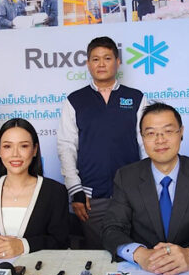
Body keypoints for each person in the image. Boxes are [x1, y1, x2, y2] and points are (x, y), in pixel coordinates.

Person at [102, 103, 189, 275]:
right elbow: (112, 229)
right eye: (151, 133)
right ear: (142, 137)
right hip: (144, 272)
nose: (160, 140)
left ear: (181, 132)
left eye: (168, 131)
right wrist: (140, 254)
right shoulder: (126, 177)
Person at [57, 36, 146, 249]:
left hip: (132, 195)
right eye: (95, 59)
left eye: (107, 58)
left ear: (118, 62)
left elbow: (146, 145)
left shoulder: (136, 98)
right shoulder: (75, 100)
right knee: (98, 255)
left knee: (132, 252)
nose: (101, 64)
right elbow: (66, 147)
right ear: (88, 64)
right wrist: (76, 191)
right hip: (91, 199)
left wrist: (147, 188)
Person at [0, 118, 70, 258]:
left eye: (23, 146)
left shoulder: (55, 191)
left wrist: (22, 245)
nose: (15, 154)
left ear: (34, 150)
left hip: (39, 267)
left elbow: (61, 241)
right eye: (7, 146)